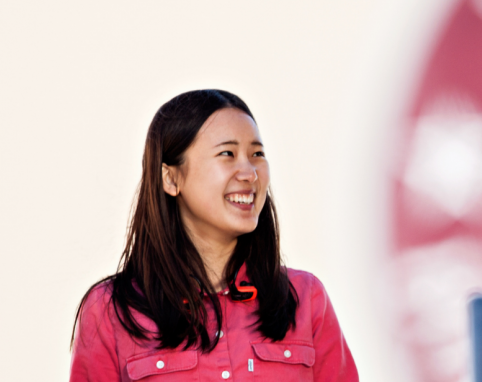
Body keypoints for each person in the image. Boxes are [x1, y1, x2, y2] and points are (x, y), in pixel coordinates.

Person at [70, 90, 358, 381]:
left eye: (257, 154)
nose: (249, 173)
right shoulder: (110, 310)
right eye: (227, 154)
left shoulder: (306, 298)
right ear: (171, 178)